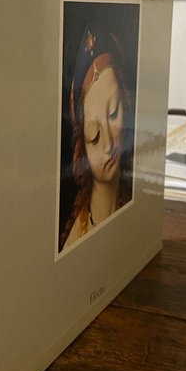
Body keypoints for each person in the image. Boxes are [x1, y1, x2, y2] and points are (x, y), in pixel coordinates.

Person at [60, 23, 133, 252]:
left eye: (113, 113)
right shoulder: (75, 242)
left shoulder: (132, 199)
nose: (109, 144)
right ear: (81, 146)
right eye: (94, 134)